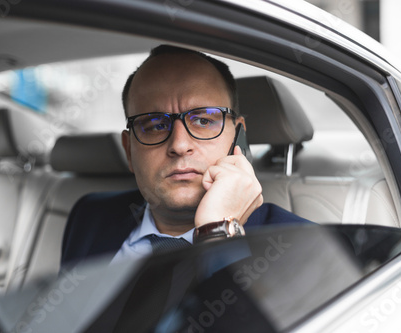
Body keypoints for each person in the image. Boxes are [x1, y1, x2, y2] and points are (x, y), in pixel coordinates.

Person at [60, 45, 310, 267]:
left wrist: (218, 231)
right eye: (155, 125)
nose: (179, 145)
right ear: (129, 150)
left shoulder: (300, 245)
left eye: (203, 120)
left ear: (239, 138)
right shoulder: (89, 216)